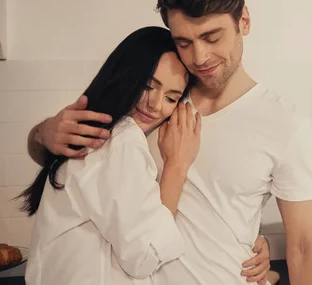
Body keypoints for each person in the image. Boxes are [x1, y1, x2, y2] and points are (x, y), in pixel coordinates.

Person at [27, 0, 312, 284]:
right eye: (184, 42)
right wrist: (44, 133)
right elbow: (70, 165)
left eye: (212, 37)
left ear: (244, 20)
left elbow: (304, 245)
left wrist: (255, 251)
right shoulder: (151, 100)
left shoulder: (283, 122)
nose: (199, 57)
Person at [21, 26, 270, 285]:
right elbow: (145, 255)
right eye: (148, 86)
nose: (155, 104)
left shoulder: (117, 134)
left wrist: (246, 240)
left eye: (171, 98)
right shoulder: (121, 138)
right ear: (125, 75)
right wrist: (177, 167)